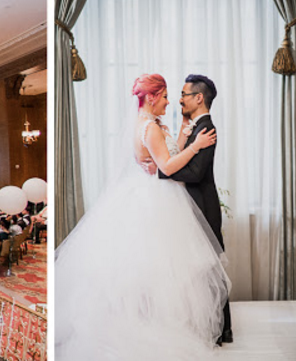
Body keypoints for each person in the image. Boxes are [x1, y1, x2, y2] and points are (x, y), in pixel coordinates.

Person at [55, 74, 228, 360]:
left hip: (157, 194)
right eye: (164, 96)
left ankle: (160, 319)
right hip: (157, 198)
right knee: (159, 269)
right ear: (151, 97)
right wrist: (195, 146)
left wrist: (183, 137)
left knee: (161, 269)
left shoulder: (153, 124)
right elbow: (168, 167)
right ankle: (154, 324)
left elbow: (166, 156)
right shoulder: (149, 127)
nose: (170, 101)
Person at [159, 74, 232, 344]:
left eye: (184, 94)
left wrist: (163, 172)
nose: (179, 99)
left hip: (204, 204)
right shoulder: (197, 126)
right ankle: (219, 327)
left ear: (198, 98)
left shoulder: (206, 128)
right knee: (202, 268)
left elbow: (197, 173)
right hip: (195, 205)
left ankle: (221, 329)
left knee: (211, 268)